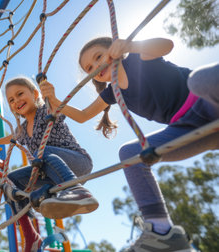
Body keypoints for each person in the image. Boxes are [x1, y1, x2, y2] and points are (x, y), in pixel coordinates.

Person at [40, 36, 219, 251]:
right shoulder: (113, 92)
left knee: (198, 79)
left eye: (98, 57)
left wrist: (131, 45)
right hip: (189, 129)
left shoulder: (138, 59)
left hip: (206, 99)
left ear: (114, 50)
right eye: (89, 68)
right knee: (130, 153)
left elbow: (167, 45)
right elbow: (83, 115)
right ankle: (161, 230)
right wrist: (54, 100)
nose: (96, 67)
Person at [0, 76, 98, 252]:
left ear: (35, 93)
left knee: (41, 153)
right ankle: (31, 236)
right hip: (51, 173)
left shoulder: (47, 110)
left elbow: (59, 107)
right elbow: (10, 138)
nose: (16, 101)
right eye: (11, 100)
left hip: (77, 163)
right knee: (10, 181)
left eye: (20, 94)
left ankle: (78, 192)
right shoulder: (23, 128)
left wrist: (52, 96)